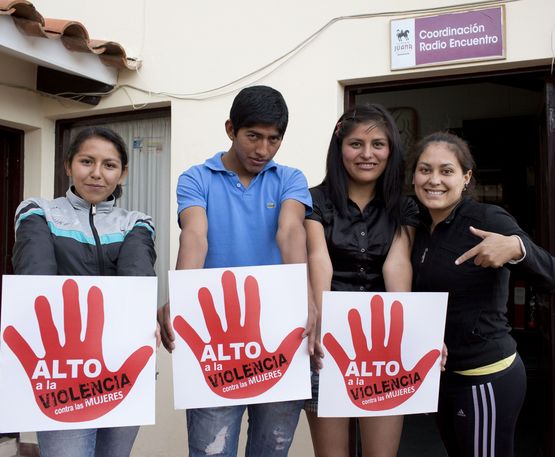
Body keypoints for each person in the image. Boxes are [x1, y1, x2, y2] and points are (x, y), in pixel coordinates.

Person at [157, 85, 314, 457]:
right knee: (211, 450)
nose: (263, 150)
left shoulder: (291, 178)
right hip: (217, 337)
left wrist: (304, 298)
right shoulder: (196, 178)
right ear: (231, 129)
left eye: (274, 139)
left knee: (271, 450)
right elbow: (195, 237)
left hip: (280, 335)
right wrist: (181, 297)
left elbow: (290, 231)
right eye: (253, 136)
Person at [12, 126, 157, 457]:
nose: (96, 174)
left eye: (109, 165)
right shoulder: (38, 211)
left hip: (123, 367)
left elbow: (136, 285)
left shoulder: (137, 222)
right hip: (63, 369)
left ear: (122, 172)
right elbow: (38, 282)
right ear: (68, 165)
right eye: (86, 161)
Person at [410, 131, 555, 457]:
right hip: (442, 376)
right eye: (425, 169)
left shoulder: (487, 219)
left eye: (446, 171)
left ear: (466, 177)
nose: (434, 180)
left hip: (485, 377)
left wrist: (517, 248)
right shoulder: (417, 225)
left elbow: (550, 273)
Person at [305, 104, 419, 457]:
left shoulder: (405, 206)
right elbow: (318, 261)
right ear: (339, 148)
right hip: (328, 343)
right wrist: (323, 327)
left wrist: (409, 335)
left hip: (384, 345)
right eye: (356, 144)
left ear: (391, 149)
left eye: (378, 145)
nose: (367, 154)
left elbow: (397, 266)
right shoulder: (313, 200)